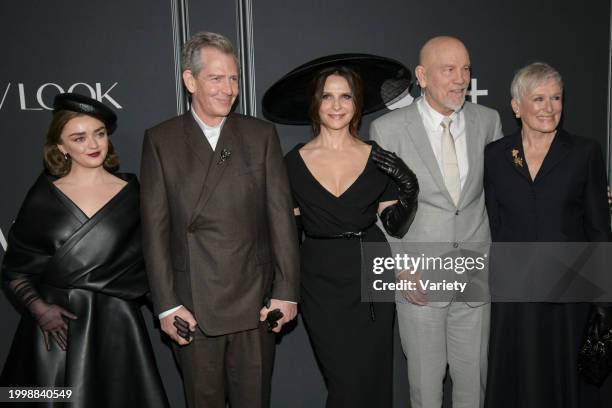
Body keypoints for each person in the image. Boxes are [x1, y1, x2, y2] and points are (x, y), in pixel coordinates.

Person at [140, 31, 300, 408]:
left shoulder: (259, 135)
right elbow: (154, 231)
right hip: (192, 307)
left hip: (255, 302)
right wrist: (165, 305)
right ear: (190, 80)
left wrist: (287, 290)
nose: (228, 89)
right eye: (216, 78)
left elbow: (281, 219)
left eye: (233, 78)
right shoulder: (161, 141)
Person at [263, 55, 418, 407]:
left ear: (357, 103)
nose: (336, 105)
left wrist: (410, 189)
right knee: (344, 379)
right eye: (327, 96)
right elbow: (289, 233)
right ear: (315, 104)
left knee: (374, 375)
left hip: (372, 270)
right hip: (320, 277)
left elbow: (395, 224)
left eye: (345, 96)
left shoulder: (377, 156)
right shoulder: (292, 162)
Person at [0, 93, 169, 408]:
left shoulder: (133, 194)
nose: (93, 144)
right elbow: (15, 269)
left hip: (118, 327)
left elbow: (152, 265)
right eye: (79, 138)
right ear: (61, 146)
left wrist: (171, 309)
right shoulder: (43, 197)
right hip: (56, 332)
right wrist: (39, 309)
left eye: (99, 133)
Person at [370, 36, 503, 408]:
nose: (460, 79)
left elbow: (501, 193)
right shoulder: (388, 130)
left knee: (472, 385)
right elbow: (382, 208)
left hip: (474, 271)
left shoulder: (488, 121)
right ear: (422, 76)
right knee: (425, 389)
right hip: (420, 277)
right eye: (449, 70)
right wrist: (400, 268)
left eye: (465, 69)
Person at [483, 62, 612, 408]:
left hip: (570, 290)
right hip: (515, 292)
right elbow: (494, 225)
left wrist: (604, 299)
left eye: (556, 98)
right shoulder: (495, 155)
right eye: (538, 98)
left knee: (566, 378)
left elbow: (599, 227)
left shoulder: (585, 152)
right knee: (518, 377)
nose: (549, 107)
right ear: (516, 107)